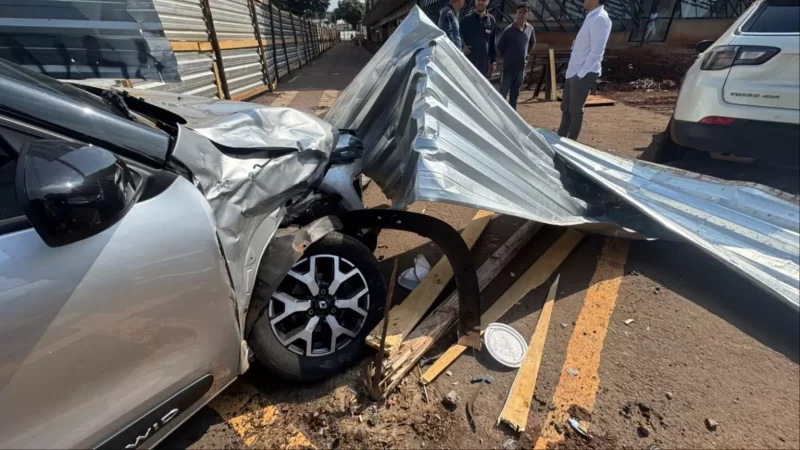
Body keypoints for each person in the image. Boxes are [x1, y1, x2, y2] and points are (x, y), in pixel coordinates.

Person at [557, 0, 612, 140]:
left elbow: (597, 52)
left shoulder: (600, 19)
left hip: (582, 73)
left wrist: (581, 74)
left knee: (575, 110)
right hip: (574, 70)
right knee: (566, 108)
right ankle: (560, 138)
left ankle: (571, 143)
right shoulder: (591, 17)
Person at [496, 3, 535, 110]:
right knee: (502, 95)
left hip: (520, 70)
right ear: (516, 14)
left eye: (524, 13)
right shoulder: (508, 30)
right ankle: (500, 118)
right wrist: (503, 61)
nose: (521, 15)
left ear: (527, 14)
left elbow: (532, 42)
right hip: (508, 69)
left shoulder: (530, 29)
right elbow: (499, 47)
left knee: (515, 96)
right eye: (519, 12)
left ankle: (513, 120)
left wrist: (526, 55)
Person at [459, 0, 497, 78]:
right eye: (478, 0)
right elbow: (456, 35)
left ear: (488, 1)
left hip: (484, 67)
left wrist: (493, 62)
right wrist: (462, 47)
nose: (480, 3)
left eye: (483, 0)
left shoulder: (491, 20)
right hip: (469, 66)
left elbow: (492, 43)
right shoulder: (466, 20)